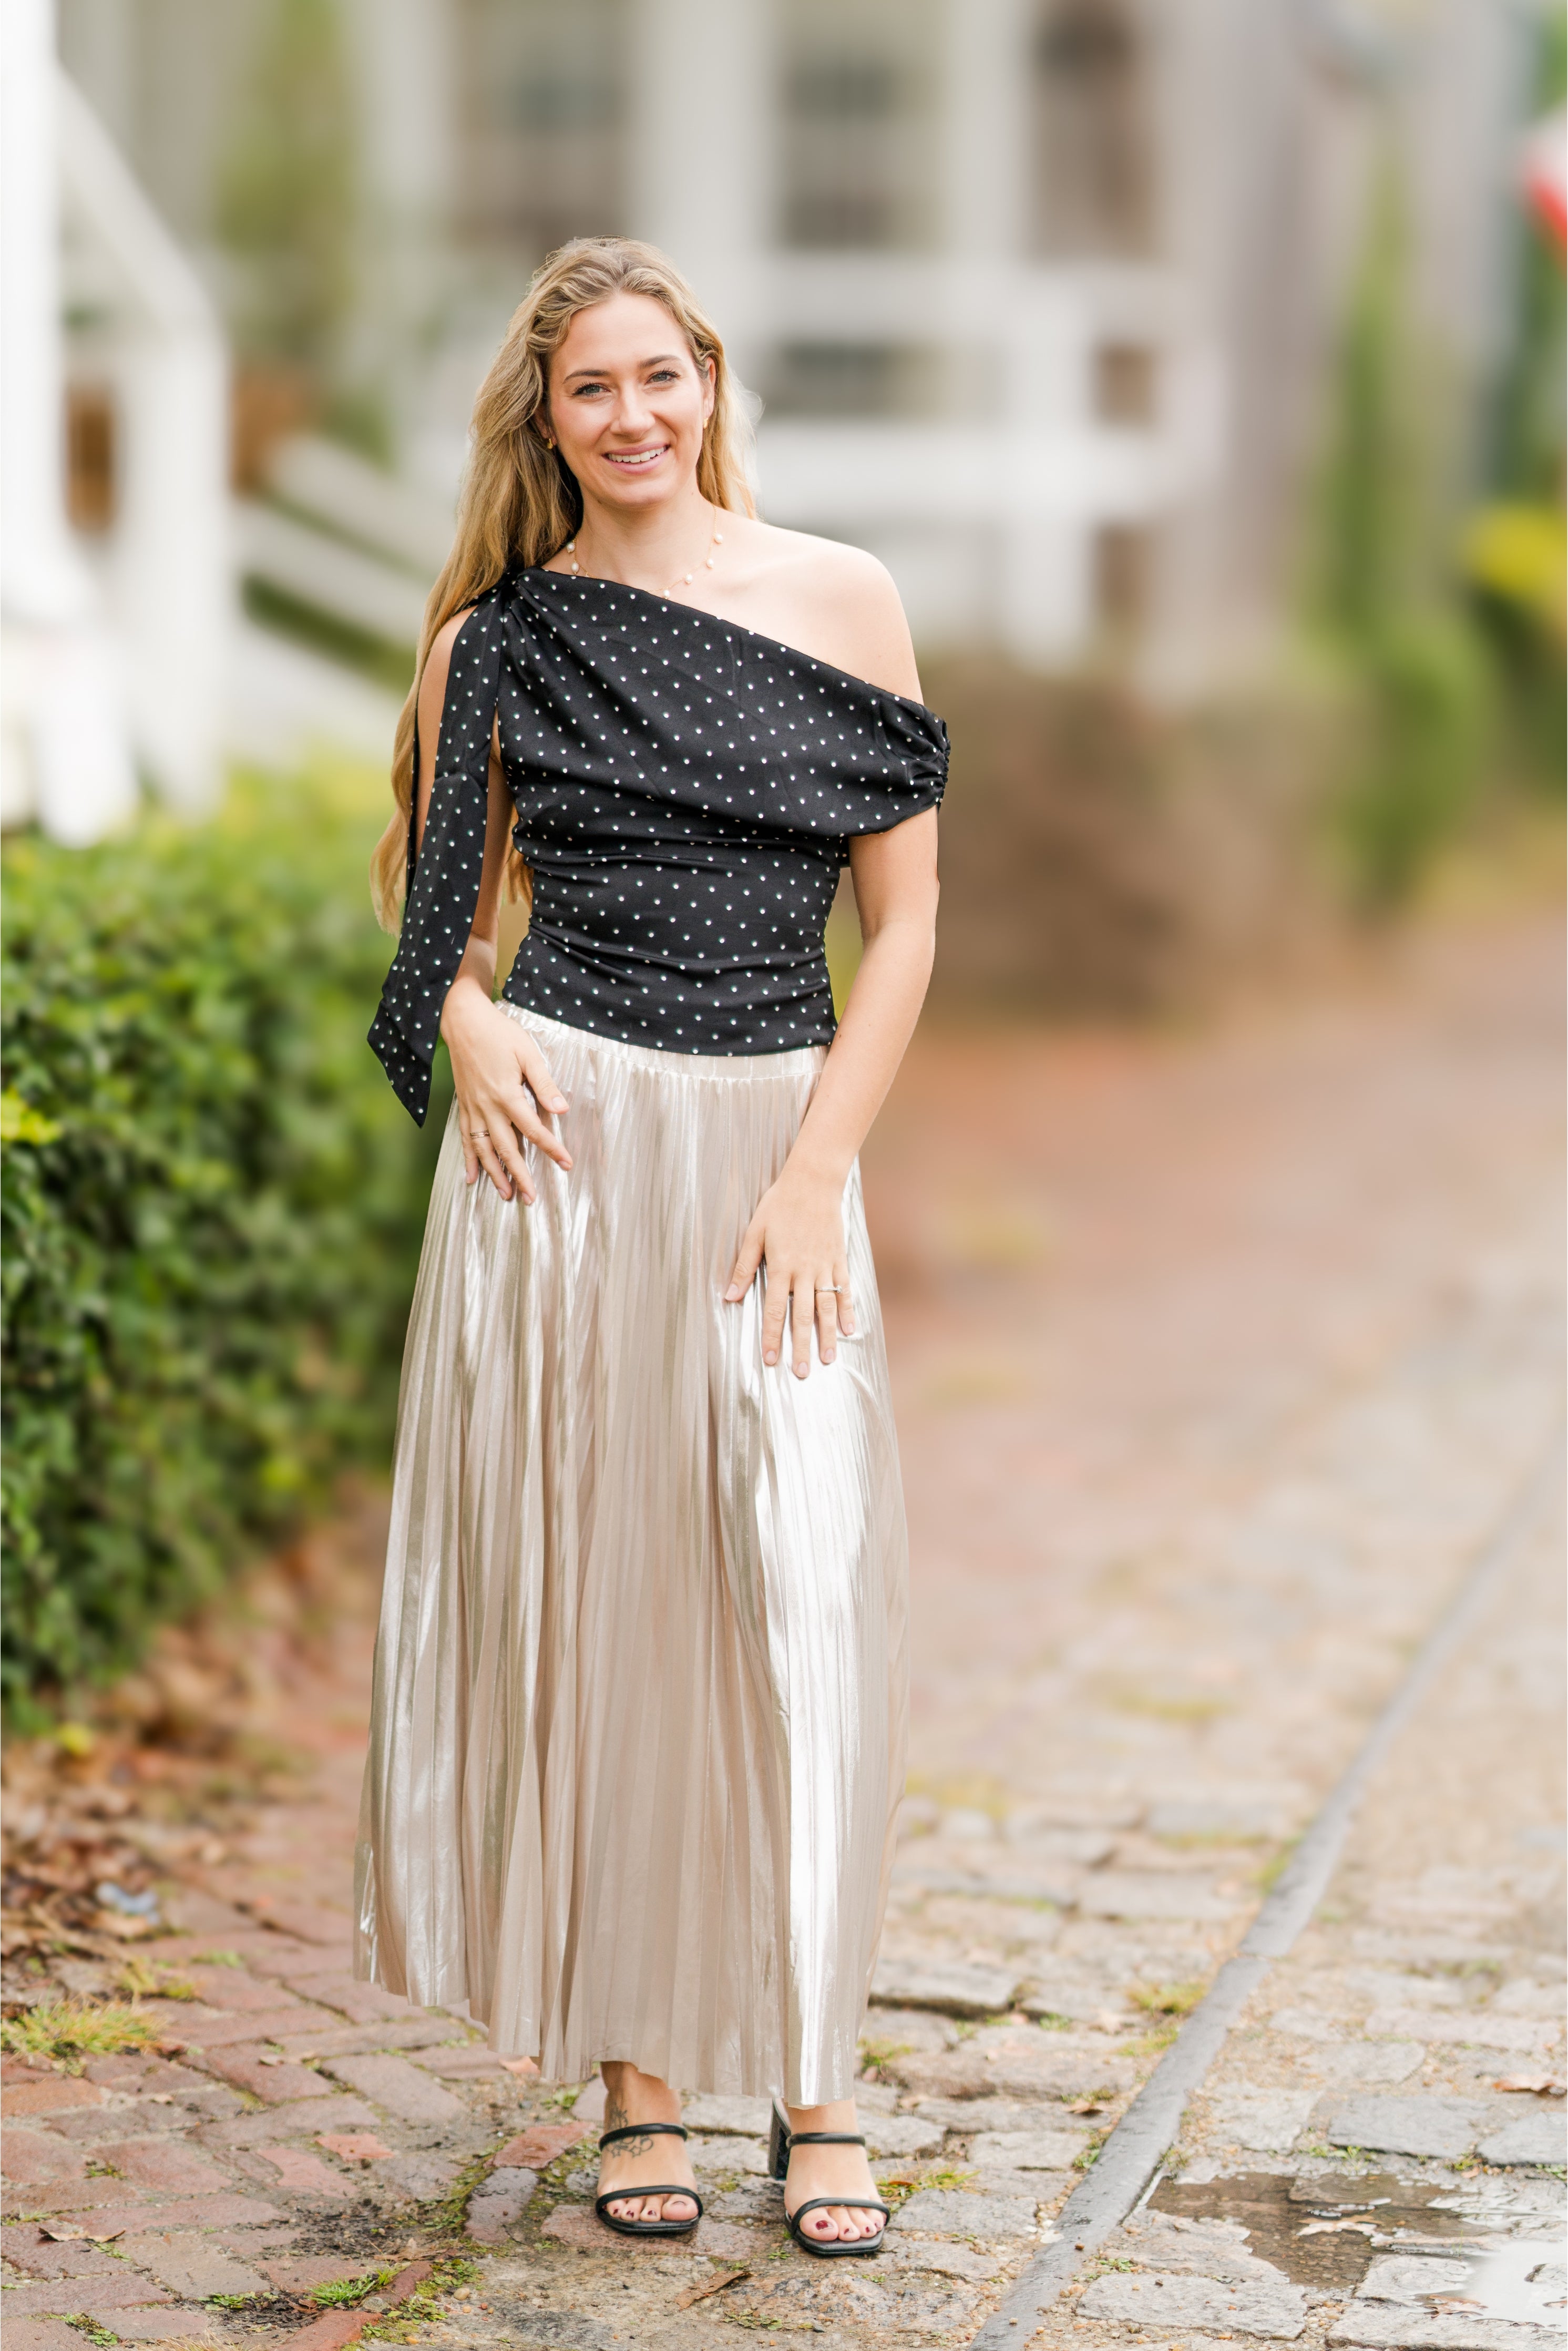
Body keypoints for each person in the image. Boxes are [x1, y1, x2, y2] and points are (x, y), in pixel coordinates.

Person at [357, 238, 945, 2258]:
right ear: (548, 420)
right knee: (606, 1617)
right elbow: (437, 934)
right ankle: (639, 2081)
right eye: (589, 388)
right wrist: (467, 1020)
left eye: (657, 376)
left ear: (709, 381)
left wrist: (813, 1174)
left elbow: (908, 929)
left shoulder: (844, 597)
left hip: (779, 1144)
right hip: (569, 1161)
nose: (631, 416)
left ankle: (820, 2082)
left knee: (799, 1599)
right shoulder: (499, 642)